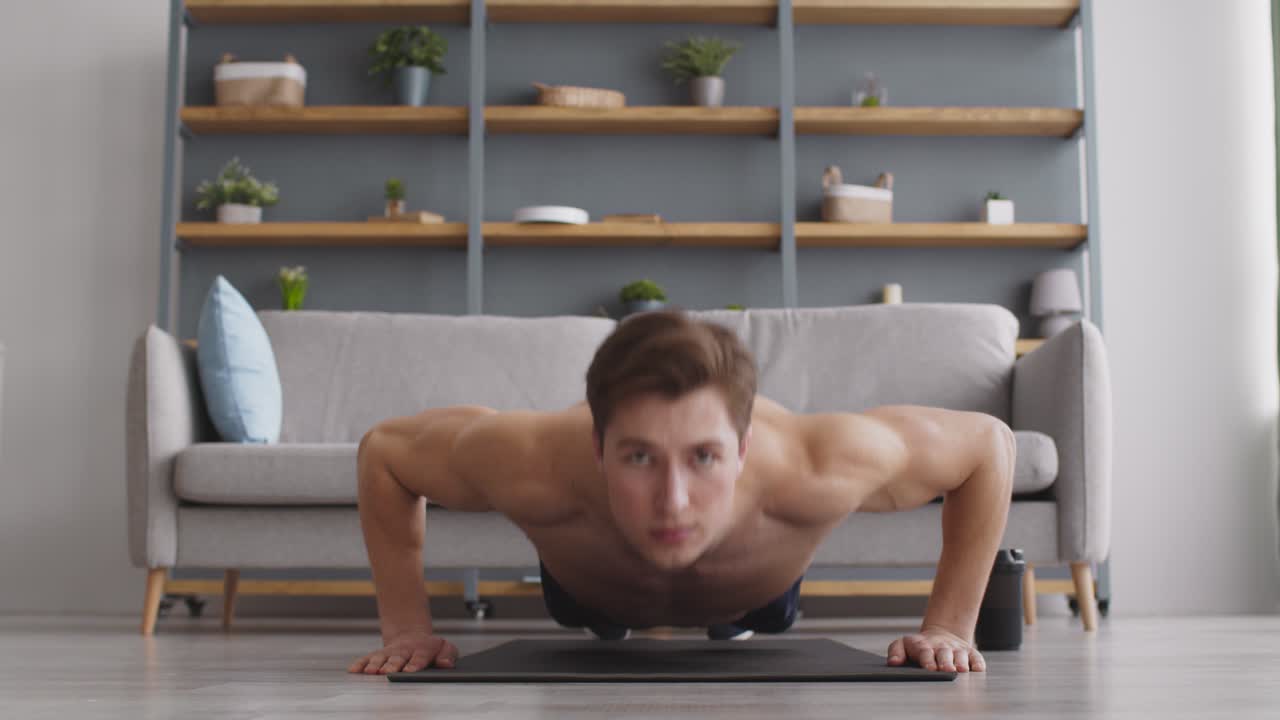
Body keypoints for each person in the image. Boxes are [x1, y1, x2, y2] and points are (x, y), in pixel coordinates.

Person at [347, 309, 1015, 675]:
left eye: (705, 458)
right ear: (596, 447)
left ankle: (737, 616)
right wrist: (408, 628)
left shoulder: (820, 462)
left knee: (751, 612)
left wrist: (949, 627)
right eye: (638, 456)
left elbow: (988, 446)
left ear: (745, 448)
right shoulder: (527, 460)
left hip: (758, 589)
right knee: (598, 614)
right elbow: (385, 454)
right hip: (586, 588)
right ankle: (612, 612)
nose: (674, 501)